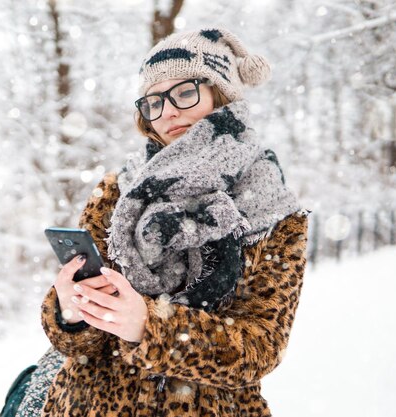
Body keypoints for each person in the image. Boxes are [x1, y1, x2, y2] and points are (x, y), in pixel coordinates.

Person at [25, 27, 309, 417]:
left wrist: (150, 327)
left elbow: (261, 346)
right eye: (153, 101)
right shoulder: (118, 190)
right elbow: (74, 345)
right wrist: (70, 312)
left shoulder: (274, 210)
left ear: (221, 93)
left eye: (185, 92)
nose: (169, 111)